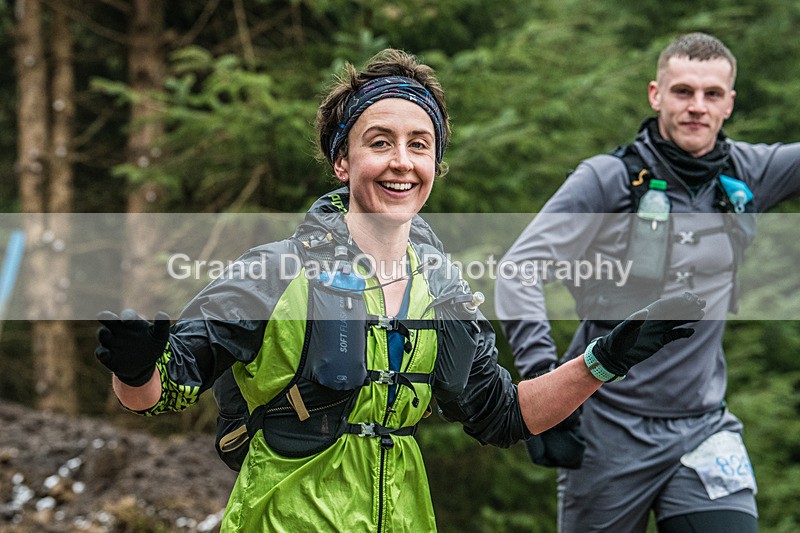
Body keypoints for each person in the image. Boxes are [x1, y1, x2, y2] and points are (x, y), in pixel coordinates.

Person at [94, 48, 705, 532]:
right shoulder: (272, 273)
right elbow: (159, 393)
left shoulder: (444, 292)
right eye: (379, 141)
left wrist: (605, 359)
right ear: (343, 161)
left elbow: (502, 414)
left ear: (436, 164)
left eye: (420, 144)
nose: (401, 162)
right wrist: (135, 366)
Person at [496, 32, 800, 533]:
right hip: (607, 428)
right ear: (656, 94)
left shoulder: (747, 173)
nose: (696, 106)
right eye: (682, 91)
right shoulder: (608, 179)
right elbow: (518, 269)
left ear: (730, 103)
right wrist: (543, 381)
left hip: (704, 428)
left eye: (711, 94)